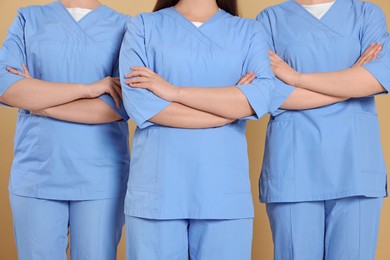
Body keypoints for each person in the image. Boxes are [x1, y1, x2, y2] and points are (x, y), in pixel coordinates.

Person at [118, 0, 376, 259]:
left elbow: (259, 97)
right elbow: (141, 104)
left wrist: (174, 92)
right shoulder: (142, 26)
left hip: (223, 190)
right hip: (159, 188)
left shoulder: (248, 30)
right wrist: (228, 109)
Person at [256, 0, 388, 259]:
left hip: (355, 165)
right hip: (295, 166)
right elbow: (268, 94)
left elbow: (378, 77)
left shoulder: (366, 14)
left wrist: (296, 78)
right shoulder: (269, 20)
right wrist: (350, 79)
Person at [0, 0, 130, 259]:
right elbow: (7, 88)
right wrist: (89, 89)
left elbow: (116, 107)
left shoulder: (125, 26)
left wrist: (38, 102)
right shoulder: (29, 19)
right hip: (38, 171)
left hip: (100, 176)